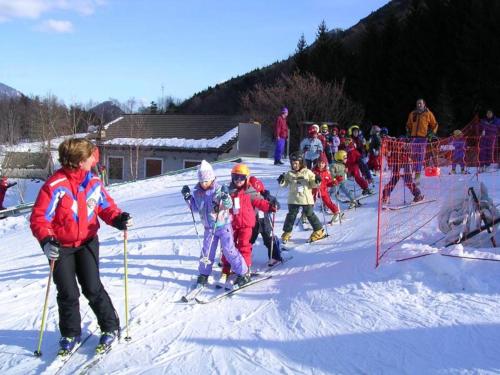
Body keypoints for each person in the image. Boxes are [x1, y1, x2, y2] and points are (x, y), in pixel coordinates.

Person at [30, 138, 132, 354]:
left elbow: (106, 207)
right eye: (90, 157)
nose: (94, 159)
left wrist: (118, 219)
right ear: (78, 162)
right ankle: (70, 332)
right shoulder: (55, 186)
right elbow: (40, 219)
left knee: (92, 287)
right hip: (61, 247)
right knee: (67, 292)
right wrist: (46, 240)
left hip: (87, 243)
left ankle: (110, 327)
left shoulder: (93, 181)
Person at [181, 160, 249, 287]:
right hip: (209, 228)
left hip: (223, 226)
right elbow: (195, 208)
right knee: (206, 252)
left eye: (206, 181)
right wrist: (188, 198)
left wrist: (225, 197)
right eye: (201, 181)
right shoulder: (197, 192)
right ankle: (204, 273)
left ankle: (243, 272)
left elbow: (228, 205)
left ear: (212, 178)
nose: (203, 183)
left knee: (229, 250)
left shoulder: (219, 190)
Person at [227, 164, 277, 274]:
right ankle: (234, 265)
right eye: (235, 177)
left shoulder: (250, 191)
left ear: (246, 178)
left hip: (247, 224)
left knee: (245, 245)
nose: (238, 180)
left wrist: (270, 206)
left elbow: (260, 202)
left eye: (241, 178)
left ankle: (245, 269)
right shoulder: (229, 191)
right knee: (231, 246)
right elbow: (221, 203)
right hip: (233, 225)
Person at [277, 151, 326, 244]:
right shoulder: (289, 174)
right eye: (292, 163)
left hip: (305, 198)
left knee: (309, 214)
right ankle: (287, 232)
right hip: (293, 198)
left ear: (301, 163)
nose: (294, 165)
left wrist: (317, 180)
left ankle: (319, 230)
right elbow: (284, 184)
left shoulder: (307, 172)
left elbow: (313, 184)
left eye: (296, 163)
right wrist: (281, 181)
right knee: (291, 215)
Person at [248, 176, 283, 266]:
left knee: (269, 240)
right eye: (254, 192)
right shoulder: (249, 197)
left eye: (258, 192)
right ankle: (246, 257)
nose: (257, 194)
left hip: (265, 222)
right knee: (248, 241)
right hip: (253, 223)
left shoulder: (267, 197)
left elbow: (277, 204)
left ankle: (275, 257)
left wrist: (275, 206)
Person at [381, 137, 424, 204]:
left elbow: (389, 155)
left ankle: (385, 195)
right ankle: (417, 194)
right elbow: (409, 154)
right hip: (403, 163)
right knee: (407, 180)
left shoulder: (392, 143)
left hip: (398, 163)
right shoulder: (403, 143)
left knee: (394, 180)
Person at [406, 98, 438, 181]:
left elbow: (435, 125)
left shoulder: (428, 114)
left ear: (424, 104)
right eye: (417, 103)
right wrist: (408, 132)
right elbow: (408, 125)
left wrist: (431, 134)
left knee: (420, 156)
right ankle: (413, 171)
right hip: (413, 138)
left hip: (423, 138)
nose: (419, 105)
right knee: (413, 156)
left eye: (420, 103)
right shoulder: (412, 114)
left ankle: (417, 174)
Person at [312, 154, 343, 223]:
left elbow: (329, 183)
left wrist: (336, 182)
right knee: (310, 203)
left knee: (328, 202)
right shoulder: (313, 171)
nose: (321, 164)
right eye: (319, 162)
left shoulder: (326, 173)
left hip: (323, 190)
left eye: (322, 163)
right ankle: (305, 215)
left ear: (325, 164)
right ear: (317, 163)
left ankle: (336, 212)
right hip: (314, 190)